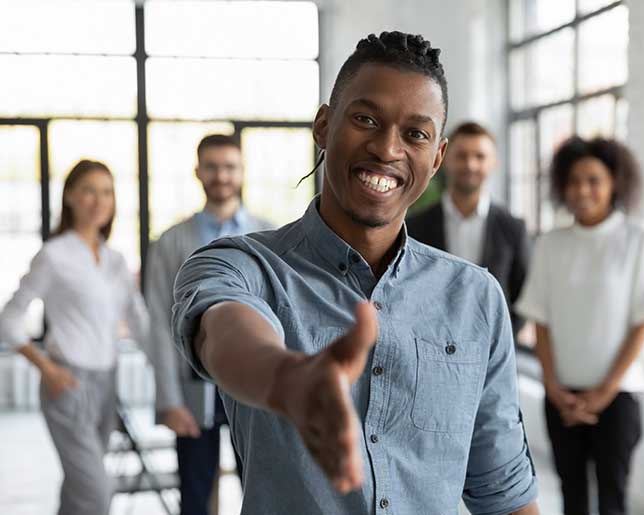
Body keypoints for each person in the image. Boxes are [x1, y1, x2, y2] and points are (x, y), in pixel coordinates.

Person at [170, 31, 540, 515]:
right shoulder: (240, 264)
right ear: (324, 125)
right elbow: (224, 331)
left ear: (438, 158)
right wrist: (286, 379)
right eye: (366, 119)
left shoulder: (476, 297)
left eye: (416, 134)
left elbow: (503, 490)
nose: (387, 149)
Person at [516, 136, 644, 515]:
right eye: (573, 181)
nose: (581, 190)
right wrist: (553, 387)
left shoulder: (640, 237)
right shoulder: (552, 244)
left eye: (593, 180)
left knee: (613, 498)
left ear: (615, 182)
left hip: (617, 398)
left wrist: (603, 392)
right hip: (561, 397)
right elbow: (541, 322)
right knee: (571, 496)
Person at [0, 160, 149, 515]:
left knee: (79, 490)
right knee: (96, 492)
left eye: (107, 192)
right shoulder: (54, 255)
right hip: (67, 381)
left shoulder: (115, 259)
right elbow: (9, 318)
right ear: (69, 196)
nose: (99, 200)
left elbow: (139, 322)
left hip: (107, 382)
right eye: (88, 190)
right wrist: (47, 369)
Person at [144, 134, 273, 515]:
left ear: (242, 171)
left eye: (230, 166)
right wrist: (168, 399)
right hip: (193, 386)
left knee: (262, 487)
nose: (221, 176)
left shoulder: (269, 235)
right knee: (195, 493)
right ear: (198, 171)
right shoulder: (171, 241)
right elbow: (157, 321)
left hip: (254, 387)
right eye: (212, 167)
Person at [407, 121, 530, 336]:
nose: (470, 164)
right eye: (461, 156)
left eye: (480, 157)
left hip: (491, 353)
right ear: (444, 159)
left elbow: (523, 299)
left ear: (494, 163)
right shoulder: (414, 225)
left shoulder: (513, 229)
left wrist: (498, 341)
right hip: (426, 345)